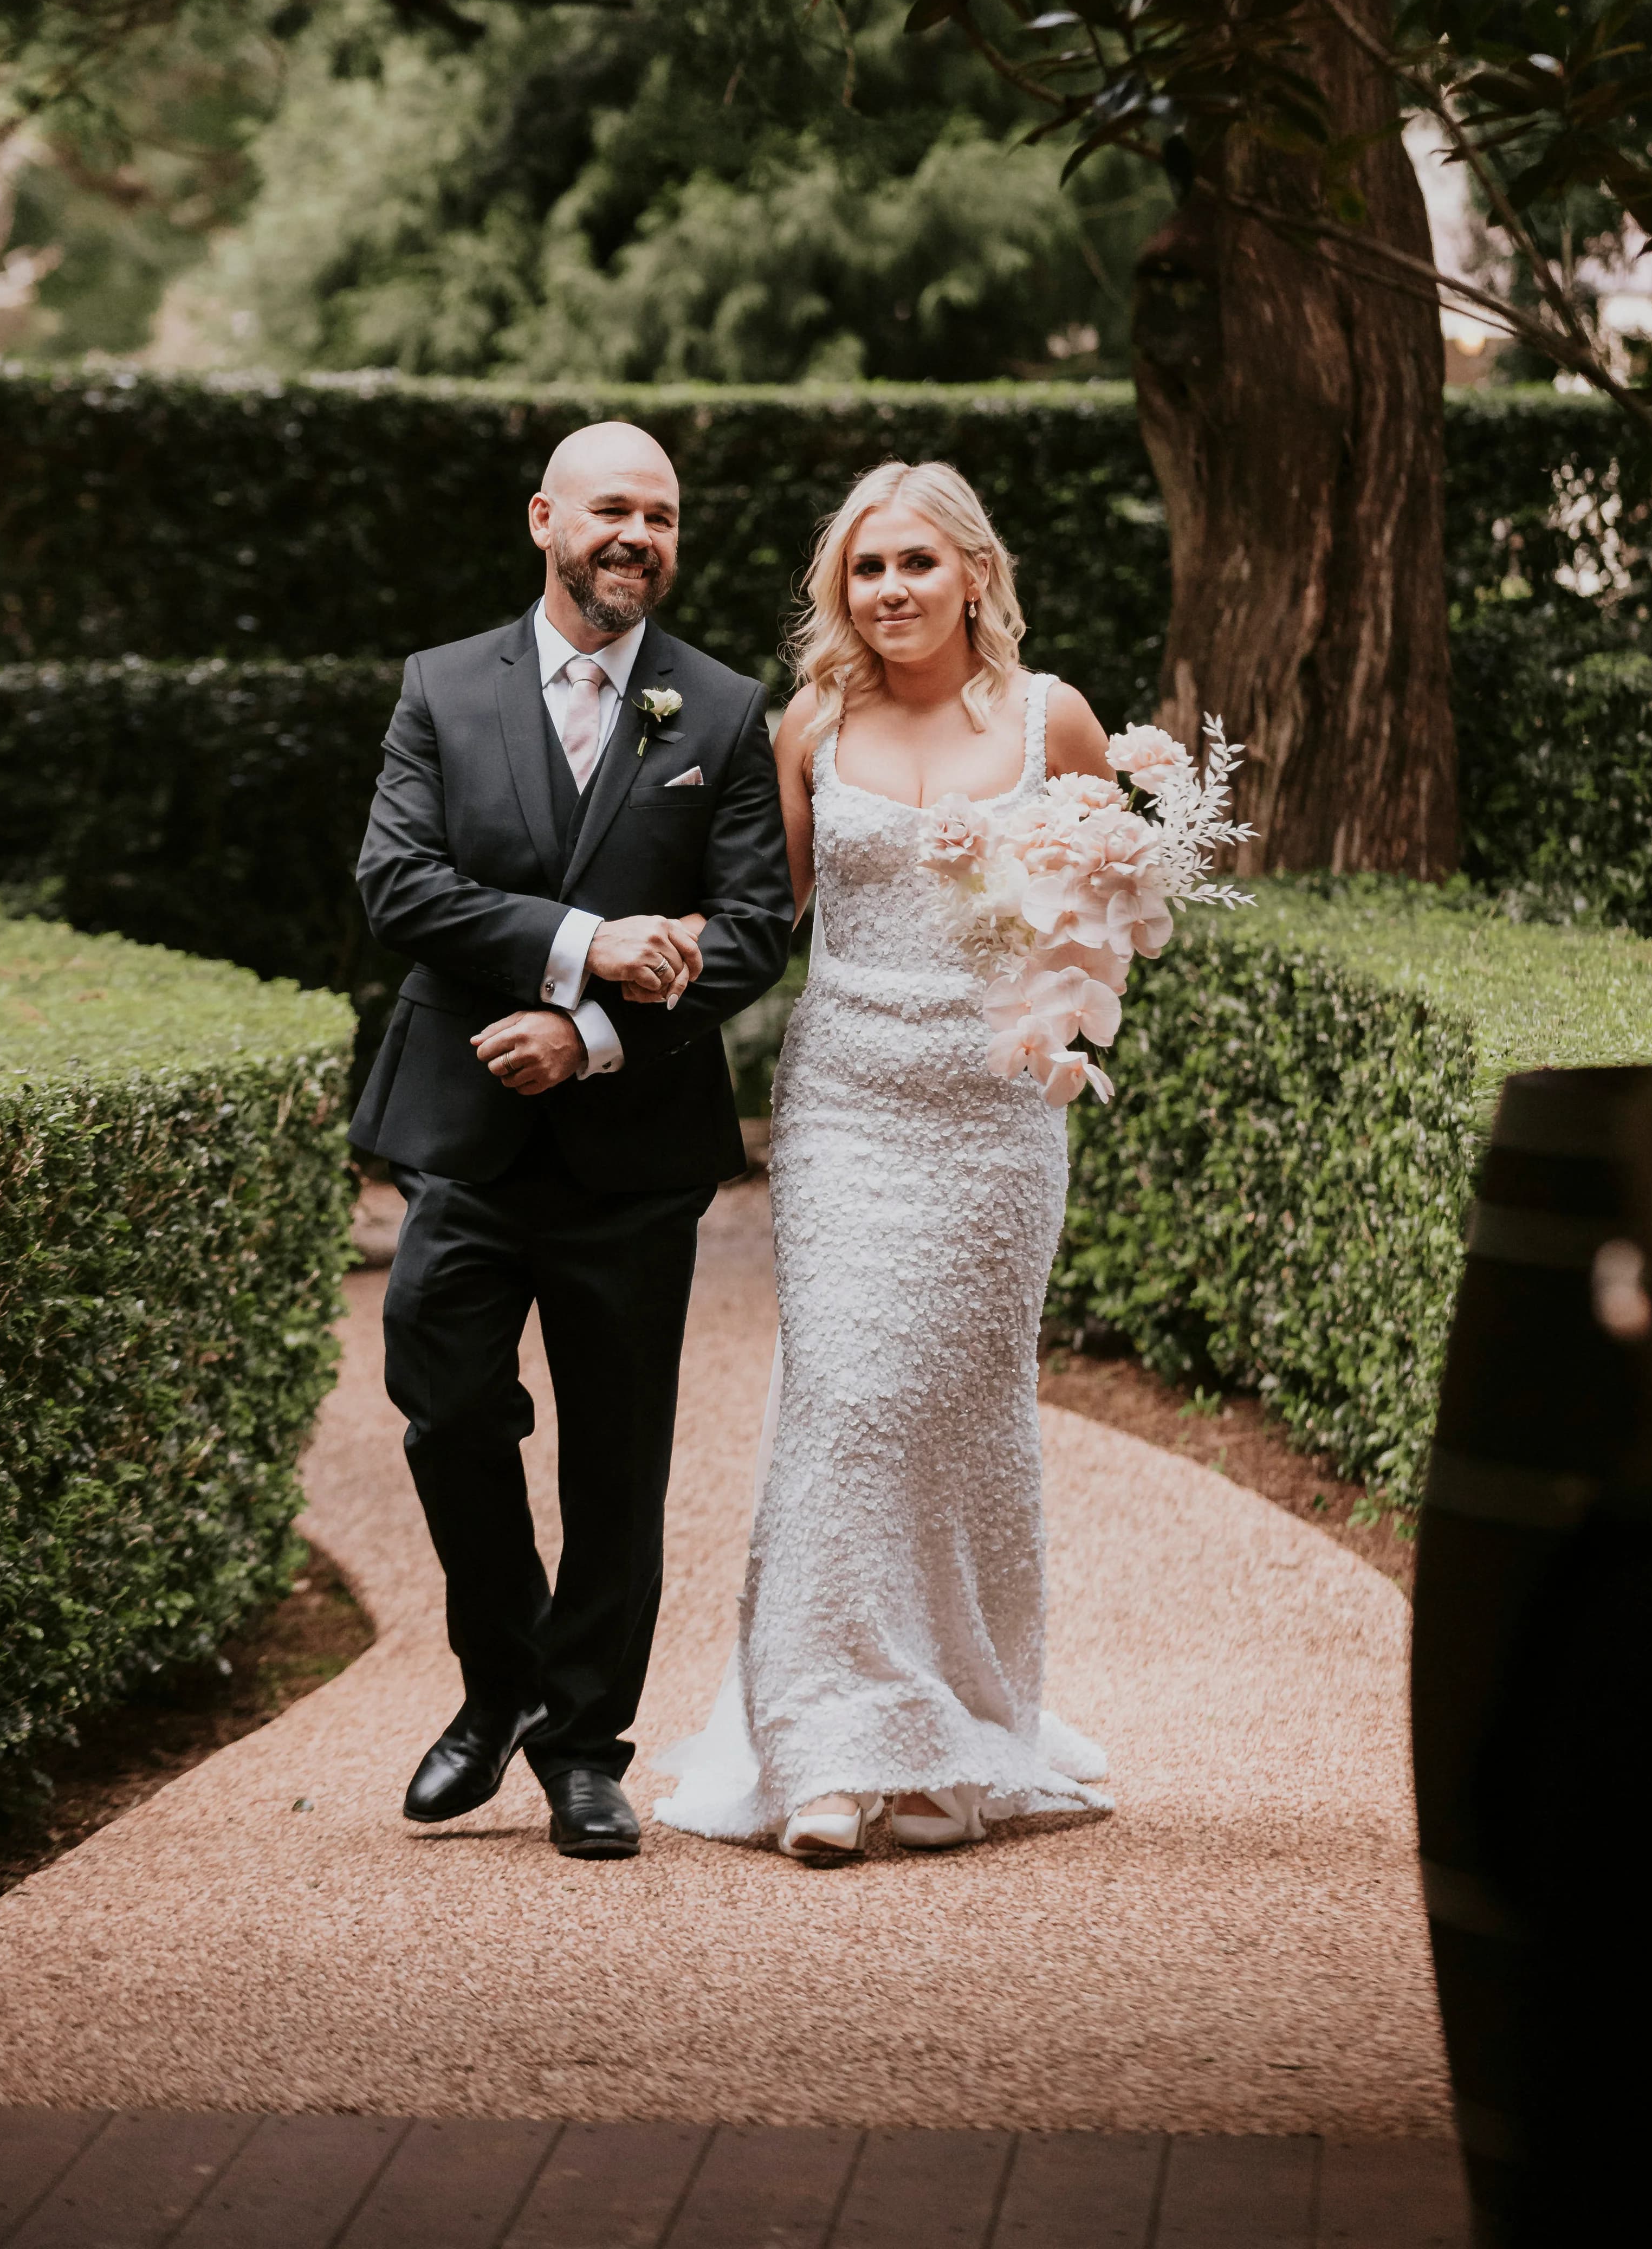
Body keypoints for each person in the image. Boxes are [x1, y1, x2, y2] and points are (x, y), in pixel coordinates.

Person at [658, 458, 1113, 1859]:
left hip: (995, 1125)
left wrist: (1063, 1030)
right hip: (849, 1107)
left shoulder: (1057, 721)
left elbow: (1098, 929)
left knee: (961, 1420)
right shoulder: (812, 723)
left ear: (976, 572)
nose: (891, 590)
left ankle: (953, 1738)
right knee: (848, 1402)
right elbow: (766, 911)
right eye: (867, 569)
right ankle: (829, 1749)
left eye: (917, 563)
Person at [352, 421, 793, 1859]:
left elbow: (750, 936)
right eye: (614, 510)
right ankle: (501, 1684)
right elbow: (398, 885)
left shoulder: (722, 714)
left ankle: (586, 1750)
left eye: (662, 519)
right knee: (447, 1401)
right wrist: (587, 948)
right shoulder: (439, 689)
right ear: (545, 519)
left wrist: (591, 1035)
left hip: (632, 1154)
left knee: (618, 1456)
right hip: (467, 1143)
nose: (639, 538)